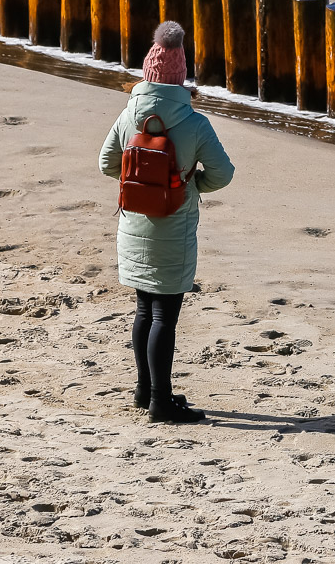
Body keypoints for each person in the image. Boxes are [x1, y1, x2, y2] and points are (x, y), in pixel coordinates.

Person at [99, 21, 235, 423]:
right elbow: (223, 173)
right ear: (180, 78)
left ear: (147, 72)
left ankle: (144, 391)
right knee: (164, 316)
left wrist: (140, 183)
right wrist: (191, 186)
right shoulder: (194, 123)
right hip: (173, 229)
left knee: (144, 310)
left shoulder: (129, 116)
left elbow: (107, 164)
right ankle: (161, 400)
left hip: (133, 225)